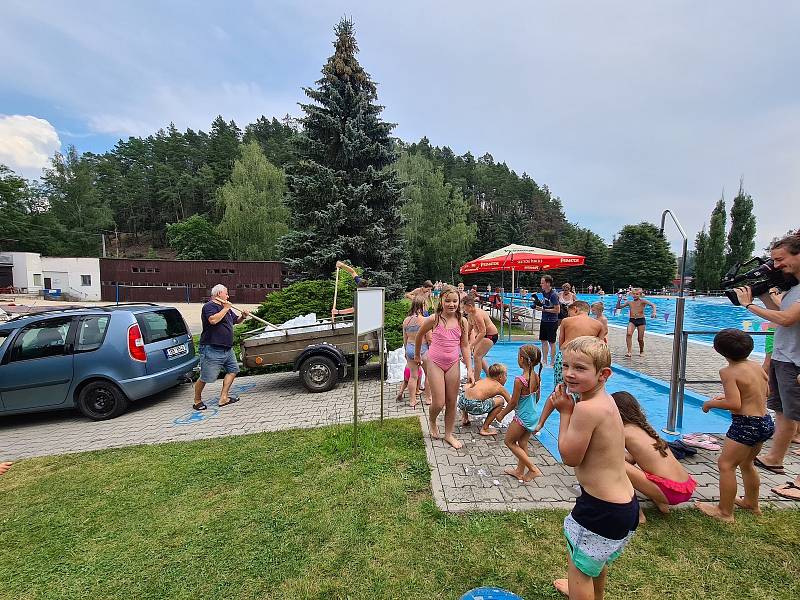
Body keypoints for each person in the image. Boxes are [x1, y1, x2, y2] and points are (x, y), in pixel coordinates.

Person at [550, 336, 639, 599]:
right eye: (565, 366)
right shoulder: (607, 401)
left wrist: (565, 412)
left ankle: (580, 590)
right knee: (593, 562)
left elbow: (570, 457)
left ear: (604, 374)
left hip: (601, 509)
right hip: (624, 505)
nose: (569, 374)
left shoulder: (586, 409)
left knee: (578, 571)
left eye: (579, 368)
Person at [734, 232, 800, 492]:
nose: (776, 266)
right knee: (783, 414)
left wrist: (748, 305)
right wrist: (761, 294)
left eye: (780, 259)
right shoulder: (793, 288)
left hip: (796, 362)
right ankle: (774, 459)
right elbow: (780, 311)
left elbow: (787, 320)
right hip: (784, 357)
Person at [695, 329, 774, 522]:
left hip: (746, 424)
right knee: (747, 463)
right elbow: (766, 393)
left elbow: (734, 404)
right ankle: (751, 503)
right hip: (764, 422)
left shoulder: (728, 372)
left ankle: (724, 512)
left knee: (726, 465)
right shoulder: (756, 366)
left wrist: (711, 404)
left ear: (717, 350)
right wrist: (731, 397)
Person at [612, 391, 697, 523]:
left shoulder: (624, 431)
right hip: (685, 487)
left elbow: (623, 461)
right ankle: (661, 502)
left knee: (613, 464)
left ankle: (637, 513)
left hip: (671, 492)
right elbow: (633, 459)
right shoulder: (646, 429)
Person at [415, 285, 474, 449]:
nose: (451, 304)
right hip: (435, 362)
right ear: (441, 300)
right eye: (447, 300)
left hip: (453, 363)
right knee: (439, 402)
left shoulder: (462, 321)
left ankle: (448, 434)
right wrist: (417, 355)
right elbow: (419, 335)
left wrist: (469, 368)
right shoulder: (434, 319)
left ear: (459, 302)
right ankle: (432, 420)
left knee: (451, 401)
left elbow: (465, 346)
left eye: (455, 301)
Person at [533, 302, 606, 433]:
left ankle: (540, 423)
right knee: (583, 393)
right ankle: (579, 427)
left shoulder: (566, 321)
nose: (568, 314)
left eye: (569, 311)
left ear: (575, 309)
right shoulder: (598, 325)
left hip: (566, 357)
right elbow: (599, 348)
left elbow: (561, 343)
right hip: (586, 360)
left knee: (558, 390)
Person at [193, 284, 248, 410]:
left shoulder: (226, 307)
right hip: (212, 348)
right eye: (226, 293)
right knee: (206, 377)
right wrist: (225, 308)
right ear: (219, 294)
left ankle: (224, 398)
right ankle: (197, 401)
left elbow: (236, 320)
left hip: (227, 349)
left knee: (233, 370)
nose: (228, 296)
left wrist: (243, 316)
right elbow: (213, 320)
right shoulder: (209, 306)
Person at [495, 345, 543, 482]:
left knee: (509, 441)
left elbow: (513, 403)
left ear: (521, 359)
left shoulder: (519, 380)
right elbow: (537, 398)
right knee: (522, 443)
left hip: (523, 417)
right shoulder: (536, 377)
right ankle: (519, 471)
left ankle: (533, 469)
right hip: (533, 415)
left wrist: (502, 414)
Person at [458, 363, 511, 436]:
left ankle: (465, 418)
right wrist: (503, 414)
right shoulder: (499, 387)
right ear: (500, 377)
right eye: (506, 375)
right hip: (474, 406)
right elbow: (511, 403)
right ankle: (485, 428)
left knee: (469, 391)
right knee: (500, 401)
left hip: (462, 402)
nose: (506, 378)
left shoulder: (484, 380)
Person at [402, 296, 432, 407]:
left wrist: (406, 351)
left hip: (410, 348)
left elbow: (404, 338)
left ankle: (412, 400)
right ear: (422, 305)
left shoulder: (406, 320)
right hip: (423, 349)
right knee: (429, 375)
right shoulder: (424, 320)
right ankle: (429, 398)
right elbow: (429, 339)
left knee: (413, 376)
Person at [462, 296, 499, 380]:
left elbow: (483, 332)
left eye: (464, 308)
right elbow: (469, 329)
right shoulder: (470, 315)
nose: (463, 310)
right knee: (478, 355)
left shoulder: (477, 315)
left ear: (470, 306)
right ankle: (489, 375)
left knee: (477, 356)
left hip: (490, 336)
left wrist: (472, 344)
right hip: (483, 335)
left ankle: (476, 379)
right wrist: (465, 340)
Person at [617, 288, 657, 357]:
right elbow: (619, 307)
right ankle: (629, 351)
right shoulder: (629, 302)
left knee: (640, 339)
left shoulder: (643, 301)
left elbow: (653, 305)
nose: (635, 295)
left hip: (641, 320)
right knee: (629, 334)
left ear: (640, 295)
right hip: (632, 320)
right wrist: (619, 300)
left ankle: (641, 351)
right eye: (634, 294)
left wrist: (654, 312)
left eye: (637, 294)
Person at [538, 275, 561, 367]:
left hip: (552, 321)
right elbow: (545, 304)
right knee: (543, 340)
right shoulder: (544, 293)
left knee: (552, 342)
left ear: (548, 283)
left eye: (543, 283)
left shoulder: (553, 295)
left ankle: (552, 361)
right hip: (544, 320)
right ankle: (544, 360)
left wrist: (543, 310)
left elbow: (557, 310)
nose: (541, 284)